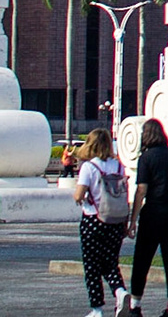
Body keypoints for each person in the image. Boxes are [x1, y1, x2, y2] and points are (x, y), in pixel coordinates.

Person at [129, 119, 168, 315]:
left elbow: (141, 190)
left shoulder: (147, 158)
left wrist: (133, 220)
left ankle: (135, 305)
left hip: (153, 214)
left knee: (142, 260)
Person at [71, 129, 131, 317]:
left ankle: (97, 309)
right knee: (110, 262)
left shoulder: (89, 167)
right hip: (116, 220)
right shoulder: (118, 166)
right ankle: (120, 291)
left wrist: (81, 197)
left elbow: (79, 195)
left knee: (92, 266)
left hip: (94, 220)